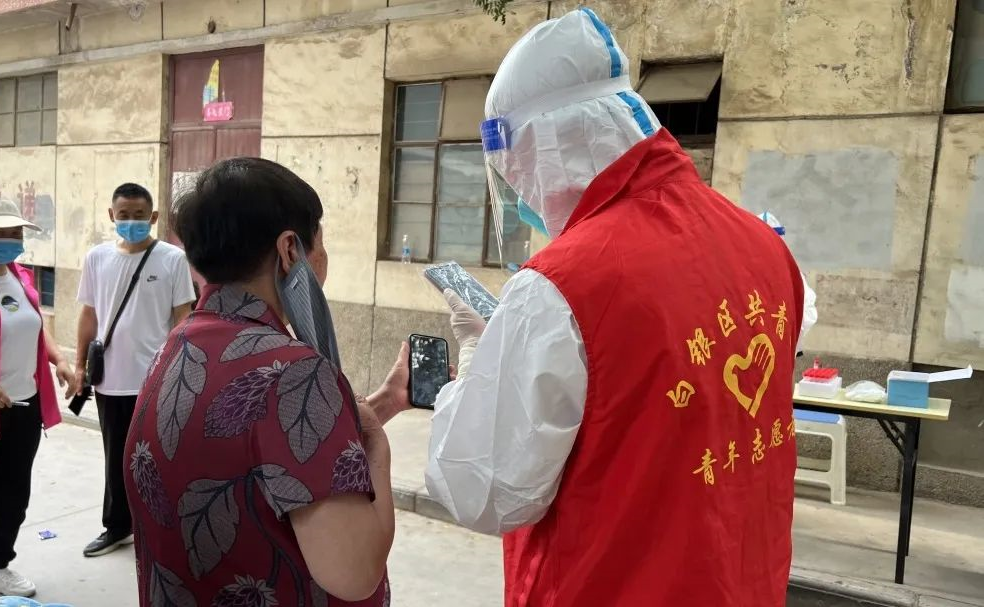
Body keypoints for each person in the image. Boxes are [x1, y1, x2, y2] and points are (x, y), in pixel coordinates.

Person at [370, 9, 814, 606]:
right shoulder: (764, 246)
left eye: (515, 169)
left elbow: (483, 490)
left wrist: (477, 362)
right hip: (743, 585)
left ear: (545, 148)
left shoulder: (562, 285)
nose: (519, 192)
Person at [124, 157, 403, 606]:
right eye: (320, 244)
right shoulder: (296, 370)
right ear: (290, 249)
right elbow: (353, 572)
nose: (322, 261)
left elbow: (261, 457)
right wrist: (377, 449)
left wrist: (383, 402)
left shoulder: (177, 348)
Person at [74, 183, 196, 557]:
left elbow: (183, 317)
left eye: (139, 215)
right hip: (110, 380)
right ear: (111, 215)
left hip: (155, 380)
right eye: (124, 215)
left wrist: (178, 370)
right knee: (116, 459)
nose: (131, 221)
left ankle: (160, 531)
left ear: (153, 217)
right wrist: (79, 366)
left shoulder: (173, 259)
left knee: (157, 458)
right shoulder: (97, 258)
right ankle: (117, 527)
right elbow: (89, 314)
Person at [0, 198, 75, 597]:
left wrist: (59, 360)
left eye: (14, 233)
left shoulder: (20, 276)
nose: (7, 240)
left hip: (23, 407)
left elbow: (35, 326)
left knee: (13, 494)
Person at [758, 211, 819, 355]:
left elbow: (806, 311)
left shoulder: (790, 272)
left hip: (778, 346)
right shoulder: (745, 271)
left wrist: (793, 342)